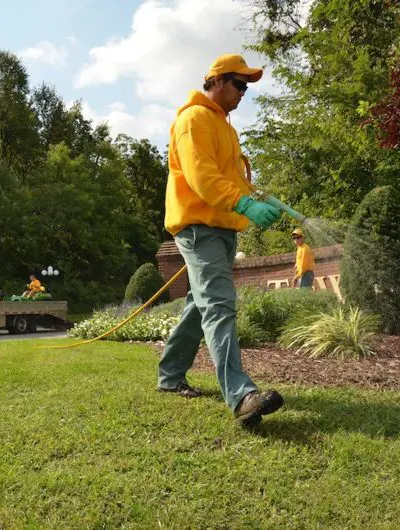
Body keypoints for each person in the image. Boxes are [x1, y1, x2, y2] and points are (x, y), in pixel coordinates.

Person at [157, 54, 285, 426]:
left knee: (200, 304)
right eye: (238, 83)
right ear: (214, 80)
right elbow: (201, 176)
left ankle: (169, 376)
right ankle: (241, 395)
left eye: (247, 87)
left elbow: (231, 178)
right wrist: (242, 201)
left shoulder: (226, 129)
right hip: (199, 227)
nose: (244, 92)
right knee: (219, 303)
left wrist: (253, 200)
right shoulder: (193, 119)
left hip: (222, 226)